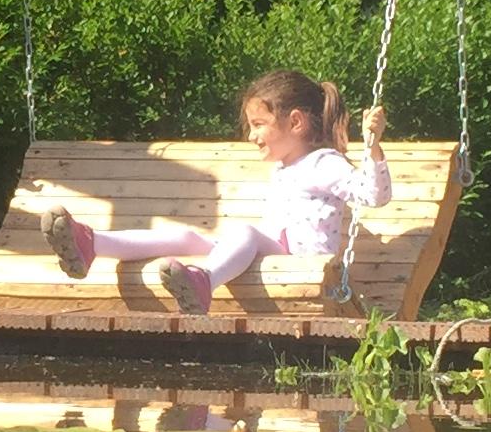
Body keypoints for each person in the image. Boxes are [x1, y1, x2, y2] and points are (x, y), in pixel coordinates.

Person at [39, 68, 390, 314]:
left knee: (243, 232)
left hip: (301, 262)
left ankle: (205, 281)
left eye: (259, 125)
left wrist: (373, 148)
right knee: (187, 237)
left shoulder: (323, 162)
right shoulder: (286, 167)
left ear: (295, 122)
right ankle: (91, 244)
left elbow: (373, 196)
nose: (251, 136)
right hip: (273, 252)